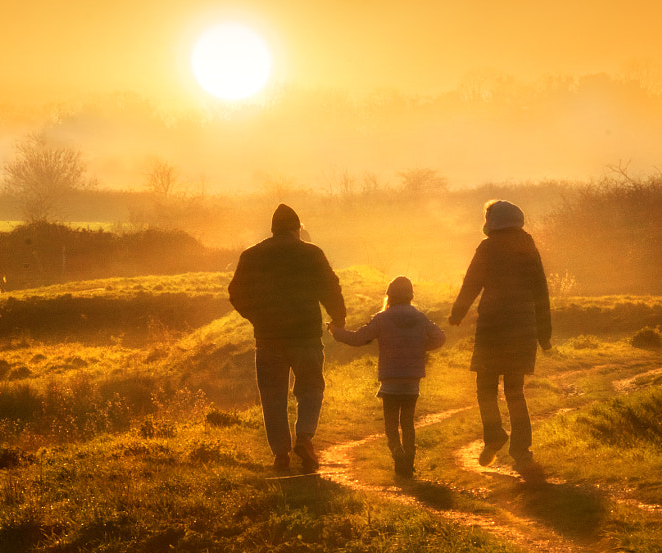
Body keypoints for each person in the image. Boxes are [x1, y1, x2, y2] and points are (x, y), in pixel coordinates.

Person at [228, 204, 346, 473]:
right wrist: (338, 317)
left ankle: (281, 455)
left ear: (273, 229)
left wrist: (257, 318)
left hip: (268, 339)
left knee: (272, 396)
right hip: (306, 336)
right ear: (297, 229)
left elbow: (236, 293)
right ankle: (304, 438)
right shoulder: (311, 253)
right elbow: (330, 286)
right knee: (311, 388)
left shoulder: (252, 256)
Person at [449, 199, 552, 479]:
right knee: (515, 392)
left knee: (485, 389)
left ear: (492, 220)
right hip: (522, 329)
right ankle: (522, 451)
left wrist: (458, 312)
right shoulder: (527, 245)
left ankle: (494, 434)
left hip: (492, 328)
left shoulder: (488, 246)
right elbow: (541, 291)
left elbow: (472, 281)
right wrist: (545, 335)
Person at [329, 276, 445, 478]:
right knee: (408, 422)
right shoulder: (420, 317)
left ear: (389, 295)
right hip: (412, 382)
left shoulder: (382, 319)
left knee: (391, 425)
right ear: (411, 296)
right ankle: (408, 462)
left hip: (390, 381)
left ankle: (398, 454)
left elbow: (357, 339)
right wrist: (418, 348)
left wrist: (336, 331)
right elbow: (440, 337)